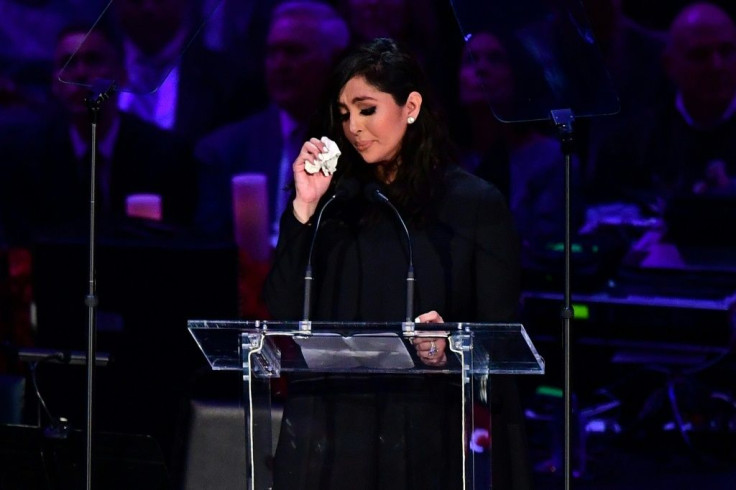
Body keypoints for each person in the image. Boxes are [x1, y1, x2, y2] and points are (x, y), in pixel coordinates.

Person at [263, 38, 531, 490]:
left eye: (367, 109)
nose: (353, 128)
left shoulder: (472, 204)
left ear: (411, 106)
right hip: (330, 432)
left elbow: (500, 340)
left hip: (426, 432)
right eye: (345, 114)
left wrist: (452, 342)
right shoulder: (334, 202)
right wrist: (302, 211)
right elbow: (285, 310)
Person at [193, 1, 350, 245]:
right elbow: (211, 252)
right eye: (272, 53)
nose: (280, 65)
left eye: (294, 52)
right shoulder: (224, 153)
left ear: (335, 61)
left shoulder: (368, 147)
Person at [591, 2, 736, 207]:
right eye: (700, 55)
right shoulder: (631, 145)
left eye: (726, 51)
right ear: (670, 64)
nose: (716, 66)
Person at [454, 29, 584, 249]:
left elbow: (549, 243)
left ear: (518, 75)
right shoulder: (446, 156)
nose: (482, 68)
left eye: (495, 59)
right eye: (471, 60)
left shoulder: (553, 160)